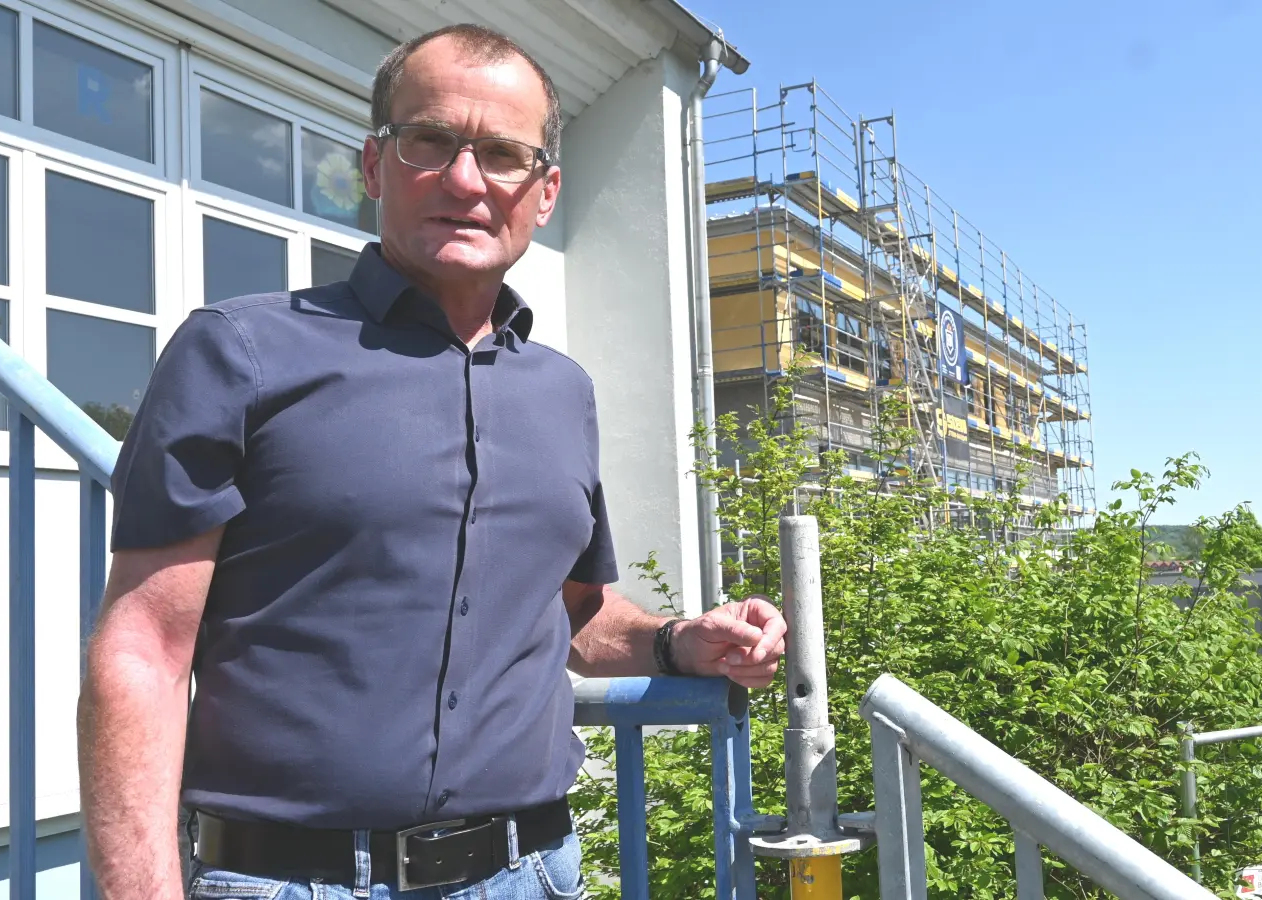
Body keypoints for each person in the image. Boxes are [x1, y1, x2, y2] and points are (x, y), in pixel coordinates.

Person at [76, 23, 786, 900]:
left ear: (546, 189)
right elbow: (143, 649)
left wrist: (678, 642)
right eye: (430, 141)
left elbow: (565, 614)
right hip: (292, 883)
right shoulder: (240, 352)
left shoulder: (563, 392)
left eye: (501, 153)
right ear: (375, 166)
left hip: (531, 875)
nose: (465, 179)